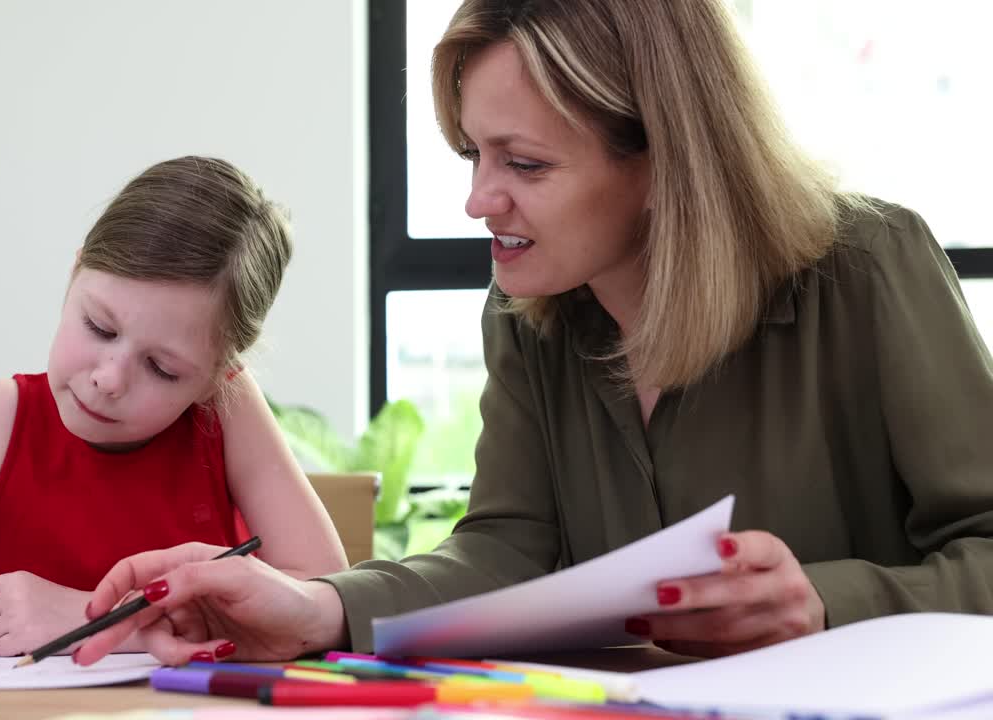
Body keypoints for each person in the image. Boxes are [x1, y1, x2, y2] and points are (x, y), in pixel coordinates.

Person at [72, 0, 993, 667]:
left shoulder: (869, 268)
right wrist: (313, 608)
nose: (479, 200)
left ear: (668, 159)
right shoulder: (531, 313)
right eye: (474, 152)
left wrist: (826, 605)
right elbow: (504, 553)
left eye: (525, 163)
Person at [0, 156, 348, 658]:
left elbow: (322, 599)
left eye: (162, 369)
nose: (109, 379)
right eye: (99, 327)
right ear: (74, 274)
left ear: (218, 378)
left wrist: (84, 615)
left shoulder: (224, 413)